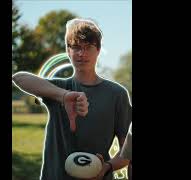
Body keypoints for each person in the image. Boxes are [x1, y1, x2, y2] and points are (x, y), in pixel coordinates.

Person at [12, 18, 132, 180]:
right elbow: (19, 78)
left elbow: (127, 152)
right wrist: (64, 96)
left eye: (88, 47)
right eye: (76, 47)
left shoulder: (117, 94)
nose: (82, 54)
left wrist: (107, 167)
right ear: (68, 51)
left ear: (98, 50)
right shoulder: (56, 88)